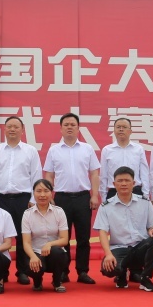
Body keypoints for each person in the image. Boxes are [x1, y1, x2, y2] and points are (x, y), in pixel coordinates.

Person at [43, 112, 101, 285]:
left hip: (83, 197)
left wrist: (95, 195)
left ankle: (82, 271)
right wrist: (49, 196)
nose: (69, 127)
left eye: (73, 125)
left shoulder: (87, 149)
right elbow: (49, 175)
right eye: (66, 125)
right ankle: (63, 271)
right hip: (61, 198)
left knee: (84, 237)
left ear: (78, 128)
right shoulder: (54, 150)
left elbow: (94, 173)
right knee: (63, 237)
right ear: (60, 128)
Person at [0, 115, 42, 285]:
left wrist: (33, 199)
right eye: (9, 126)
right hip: (0, 199)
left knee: (23, 236)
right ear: (4, 129)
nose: (12, 129)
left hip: (23, 199)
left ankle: (22, 271)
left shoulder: (30, 151)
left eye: (16, 127)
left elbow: (36, 176)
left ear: (22, 130)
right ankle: (1, 271)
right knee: (0, 236)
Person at [94, 166, 153, 291]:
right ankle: (121, 273)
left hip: (140, 248)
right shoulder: (106, 206)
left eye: (127, 180)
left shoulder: (145, 202)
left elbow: (151, 226)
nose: (124, 184)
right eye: (120, 181)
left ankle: (145, 277)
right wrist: (108, 254)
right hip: (119, 248)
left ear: (134, 183)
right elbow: (103, 232)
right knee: (109, 269)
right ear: (114, 184)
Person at [21, 178, 71, 292]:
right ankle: (37, 282)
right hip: (36, 252)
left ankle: (57, 282)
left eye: (46, 191)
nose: (42, 195)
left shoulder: (59, 212)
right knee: (33, 264)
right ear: (33, 193)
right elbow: (26, 242)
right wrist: (33, 256)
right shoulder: (27, 214)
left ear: (51, 193)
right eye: (38, 191)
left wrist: (49, 244)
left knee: (58, 252)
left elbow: (64, 239)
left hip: (53, 254)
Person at [99, 117, 149, 203]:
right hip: (114, 192)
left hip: (135, 191)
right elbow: (103, 176)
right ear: (114, 130)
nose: (121, 129)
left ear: (130, 131)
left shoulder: (138, 149)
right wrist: (104, 198)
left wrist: (146, 195)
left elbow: (144, 174)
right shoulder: (107, 150)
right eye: (118, 127)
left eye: (124, 127)